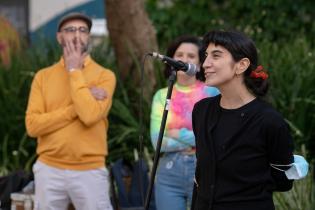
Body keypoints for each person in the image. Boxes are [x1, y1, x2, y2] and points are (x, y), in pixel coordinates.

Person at [191, 30, 295, 210]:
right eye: (206, 56)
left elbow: (284, 181)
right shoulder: (201, 110)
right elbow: (201, 173)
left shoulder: (269, 120)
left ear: (241, 65)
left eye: (216, 56)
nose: (205, 63)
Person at [25, 12, 116, 210]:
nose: (76, 35)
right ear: (59, 37)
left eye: (83, 30)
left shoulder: (105, 76)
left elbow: (90, 116)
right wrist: (79, 103)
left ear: (88, 37)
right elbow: (33, 126)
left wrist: (75, 72)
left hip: (90, 169)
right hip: (49, 168)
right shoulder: (43, 77)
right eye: (70, 30)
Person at [150, 35, 219, 210]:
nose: (184, 59)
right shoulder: (161, 95)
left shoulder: (212, 92)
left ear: (200, 61)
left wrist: (177, 134)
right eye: (179, 55)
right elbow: (157, 142)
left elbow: (215, 137)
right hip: (169, 173)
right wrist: (196, 139)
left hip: (205, 171)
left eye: (191, 56)